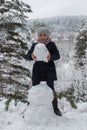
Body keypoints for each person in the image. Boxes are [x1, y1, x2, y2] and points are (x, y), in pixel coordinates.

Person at [25, 27, 62, 116]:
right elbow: (27, 56)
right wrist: (31, 56)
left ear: (48, 36)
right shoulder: (34, 45)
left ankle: (55, 108)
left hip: (49, 69)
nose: (42, 37)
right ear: (38, 36)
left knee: (51, 89)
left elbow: (57, 55)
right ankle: (30, 109)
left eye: (44, 35)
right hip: (37, 69)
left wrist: (50, 57)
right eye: (40, 35)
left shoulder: (51, 44)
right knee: (34, 89)